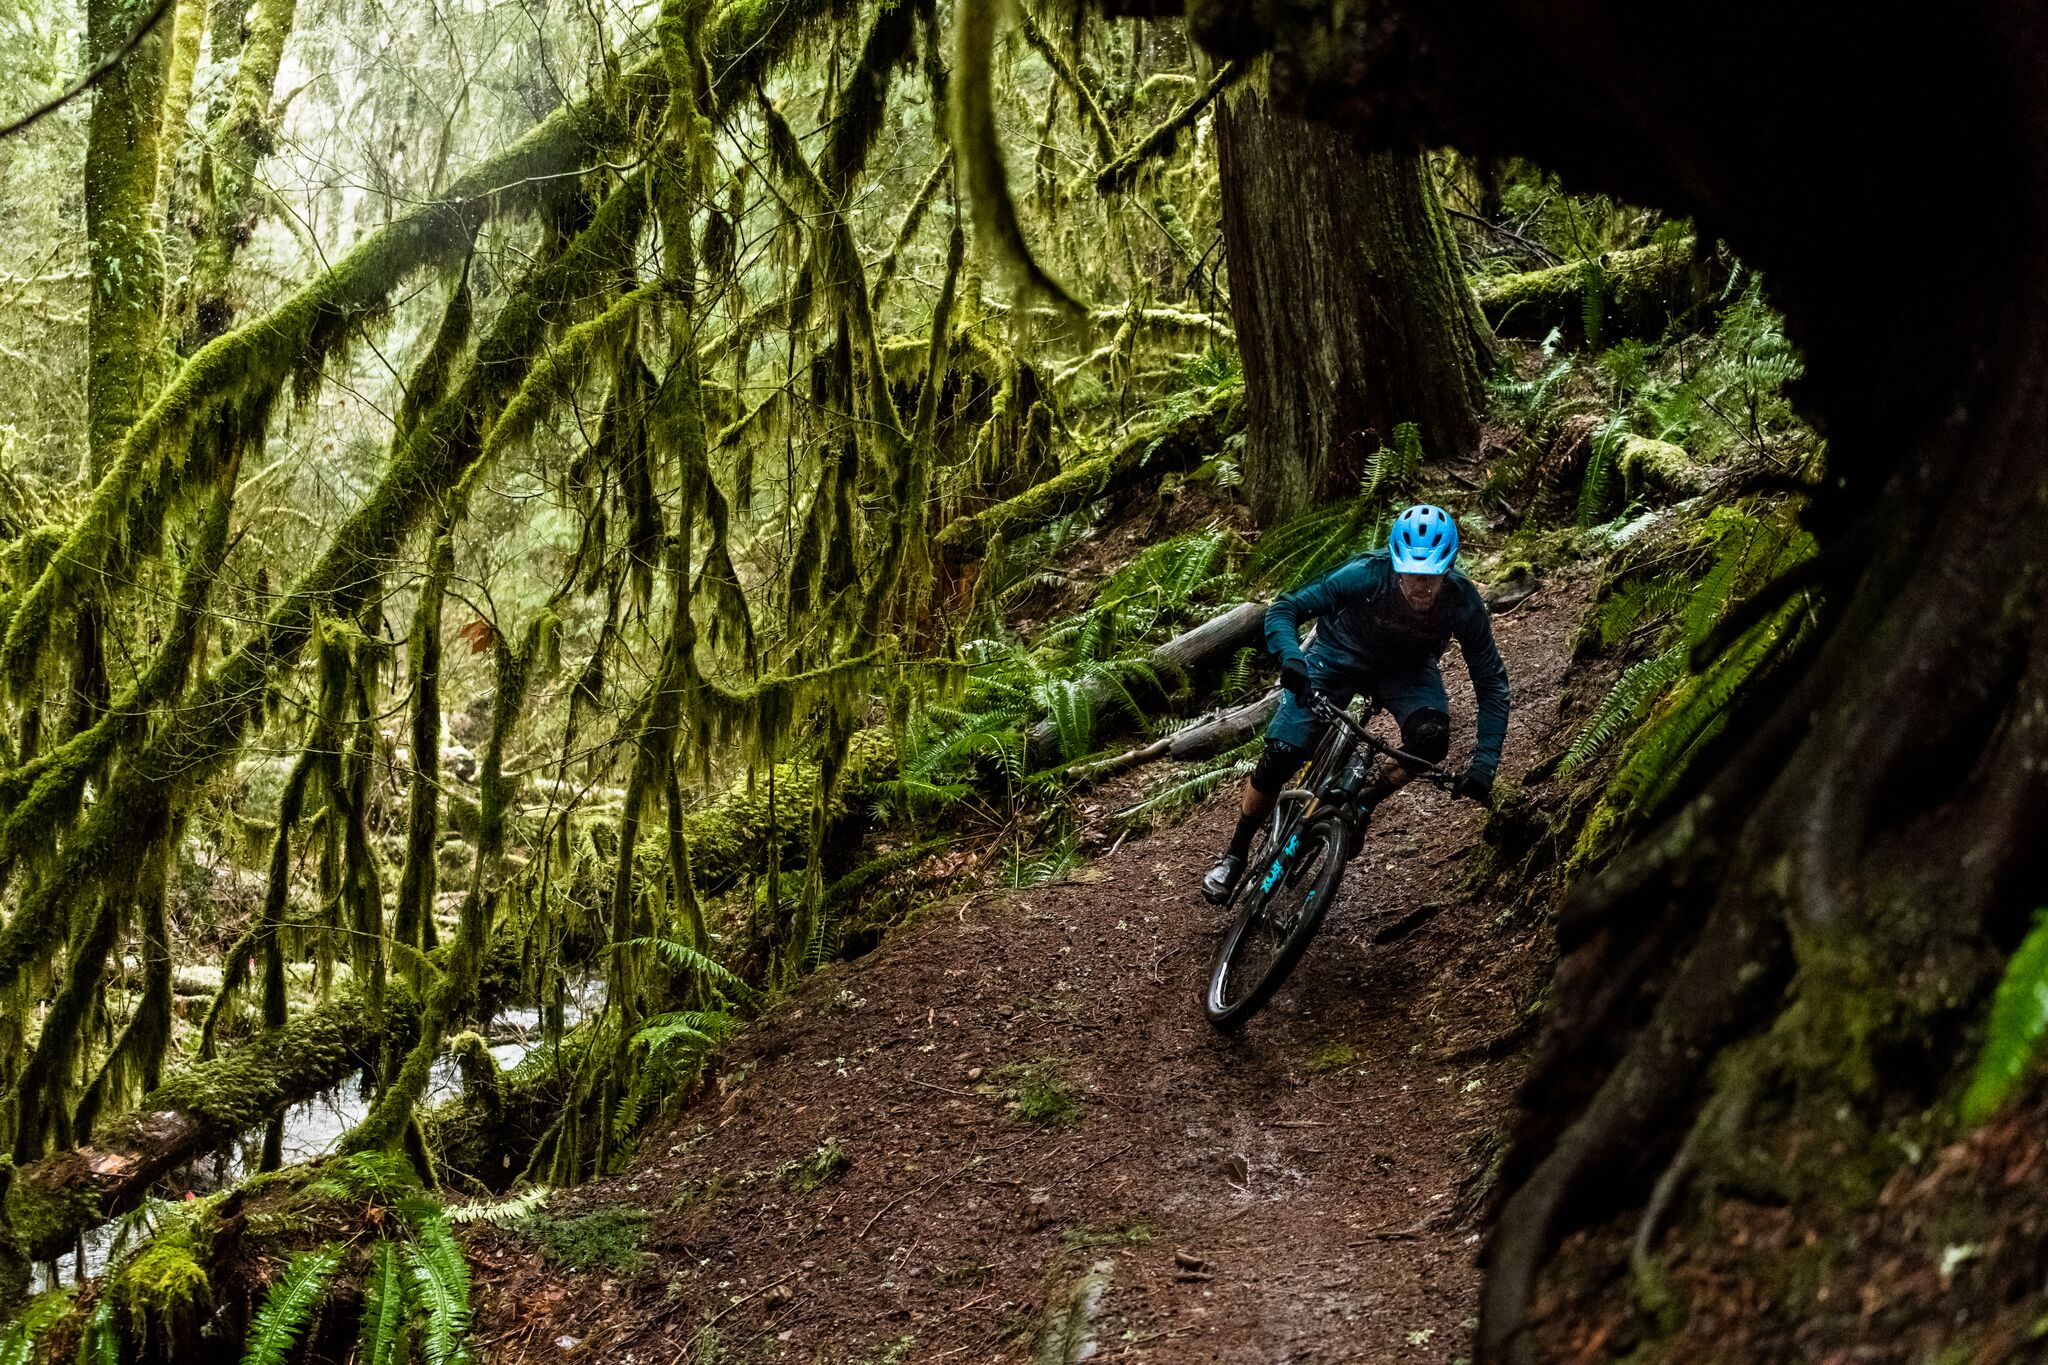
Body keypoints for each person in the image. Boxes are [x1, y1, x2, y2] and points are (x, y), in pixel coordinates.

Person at [1202, 503, 1511, 904]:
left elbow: (1490, 680)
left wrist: (1484, 764)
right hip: (1335, 657)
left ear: (1448, 568)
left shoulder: (1463, 601)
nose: (1420, 586)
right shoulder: (1365, 574)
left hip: (1407, 670)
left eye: (1431, 577)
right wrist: (1292, 657)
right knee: (1281, 755)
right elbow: (1286, 606)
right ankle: (1235, 854)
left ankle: (1362, 805)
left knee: (1431, 739)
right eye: (1411, 574)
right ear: (1396, 564)